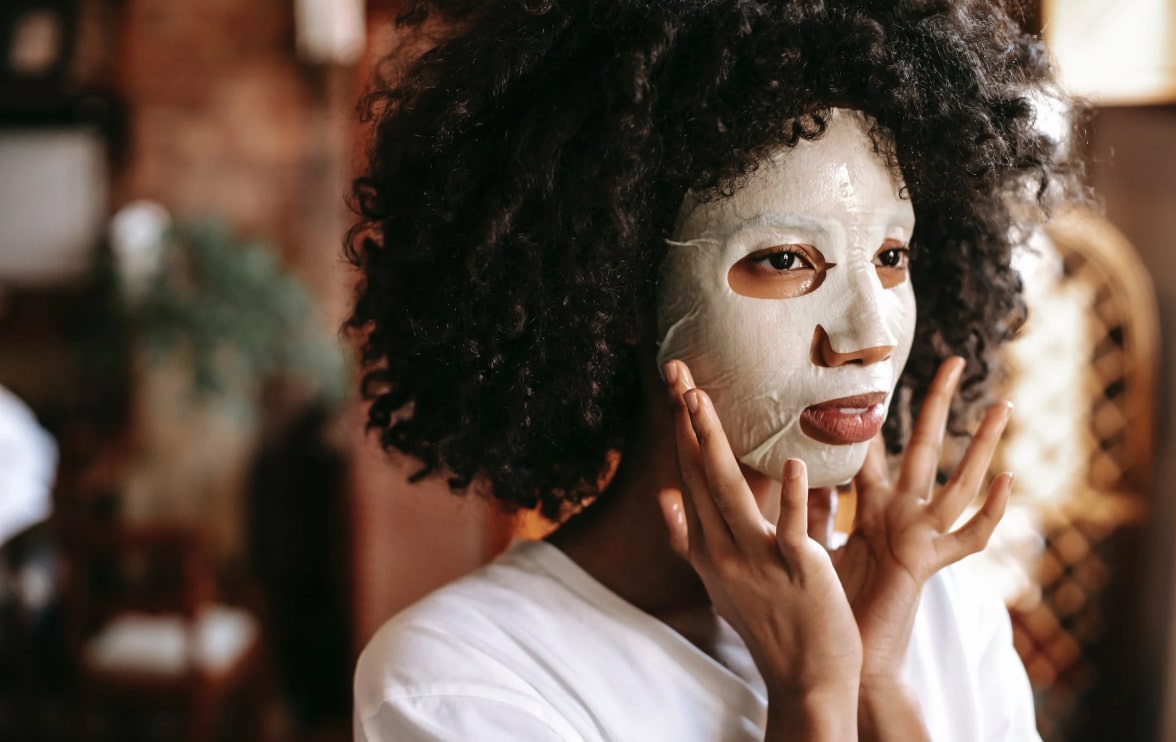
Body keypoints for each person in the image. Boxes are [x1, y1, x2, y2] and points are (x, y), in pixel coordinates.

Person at [346, 1, 1083, 739]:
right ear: (619, 289)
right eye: (786, 259)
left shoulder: (946, 617)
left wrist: (873, 681)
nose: (869, 338)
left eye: (891, 256)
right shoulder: (456, 678)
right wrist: (811, 694)